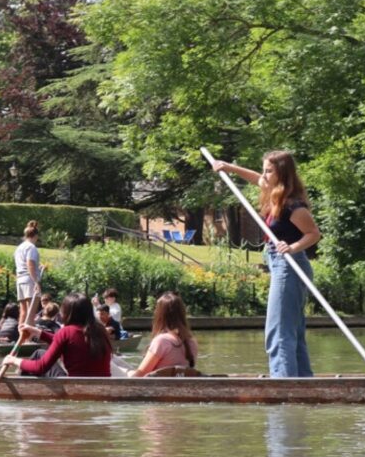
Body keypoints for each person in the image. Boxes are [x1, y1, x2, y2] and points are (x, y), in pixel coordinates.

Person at [212, 151, 321, 378]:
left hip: (289, 266)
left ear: (282, 173)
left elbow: (313, 234)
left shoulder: (293, 206)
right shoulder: (274, 193)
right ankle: (302, 381)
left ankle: (283, 385)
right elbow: (256, 178)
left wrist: (292, 247)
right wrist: (229, 167)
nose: (264, 175)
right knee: (292, 331)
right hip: (279, 263)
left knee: (278, 332)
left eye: (269, 171)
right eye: (264, 170)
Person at [2, 292, 112, 377]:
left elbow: (40, 367)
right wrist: (36, 332)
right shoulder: (100, 330)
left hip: (75, 387)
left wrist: (14, 360)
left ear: (68, 313)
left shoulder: (66, 332)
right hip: (103, 386)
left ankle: (22, 390)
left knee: (38, 354)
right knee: (40, 353)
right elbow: (66, 341)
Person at [127, 292, 199, 377]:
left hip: (155, 385)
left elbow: (138, 376)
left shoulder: (162, 341)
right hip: (178, 385)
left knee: (117, 364)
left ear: (160, 314)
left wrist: (128, 372)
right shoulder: (191, 342)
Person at [14, 220, 42, 326]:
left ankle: (20, 334)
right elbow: (30, 264)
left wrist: (38, 267)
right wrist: (36, 282)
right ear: (36, 236)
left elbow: (23, 264)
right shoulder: (31, 247)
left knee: (23, 312)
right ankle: (29, 335)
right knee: (31, 313)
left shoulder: (19, 248)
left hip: (20, 279)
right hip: (29, 280)